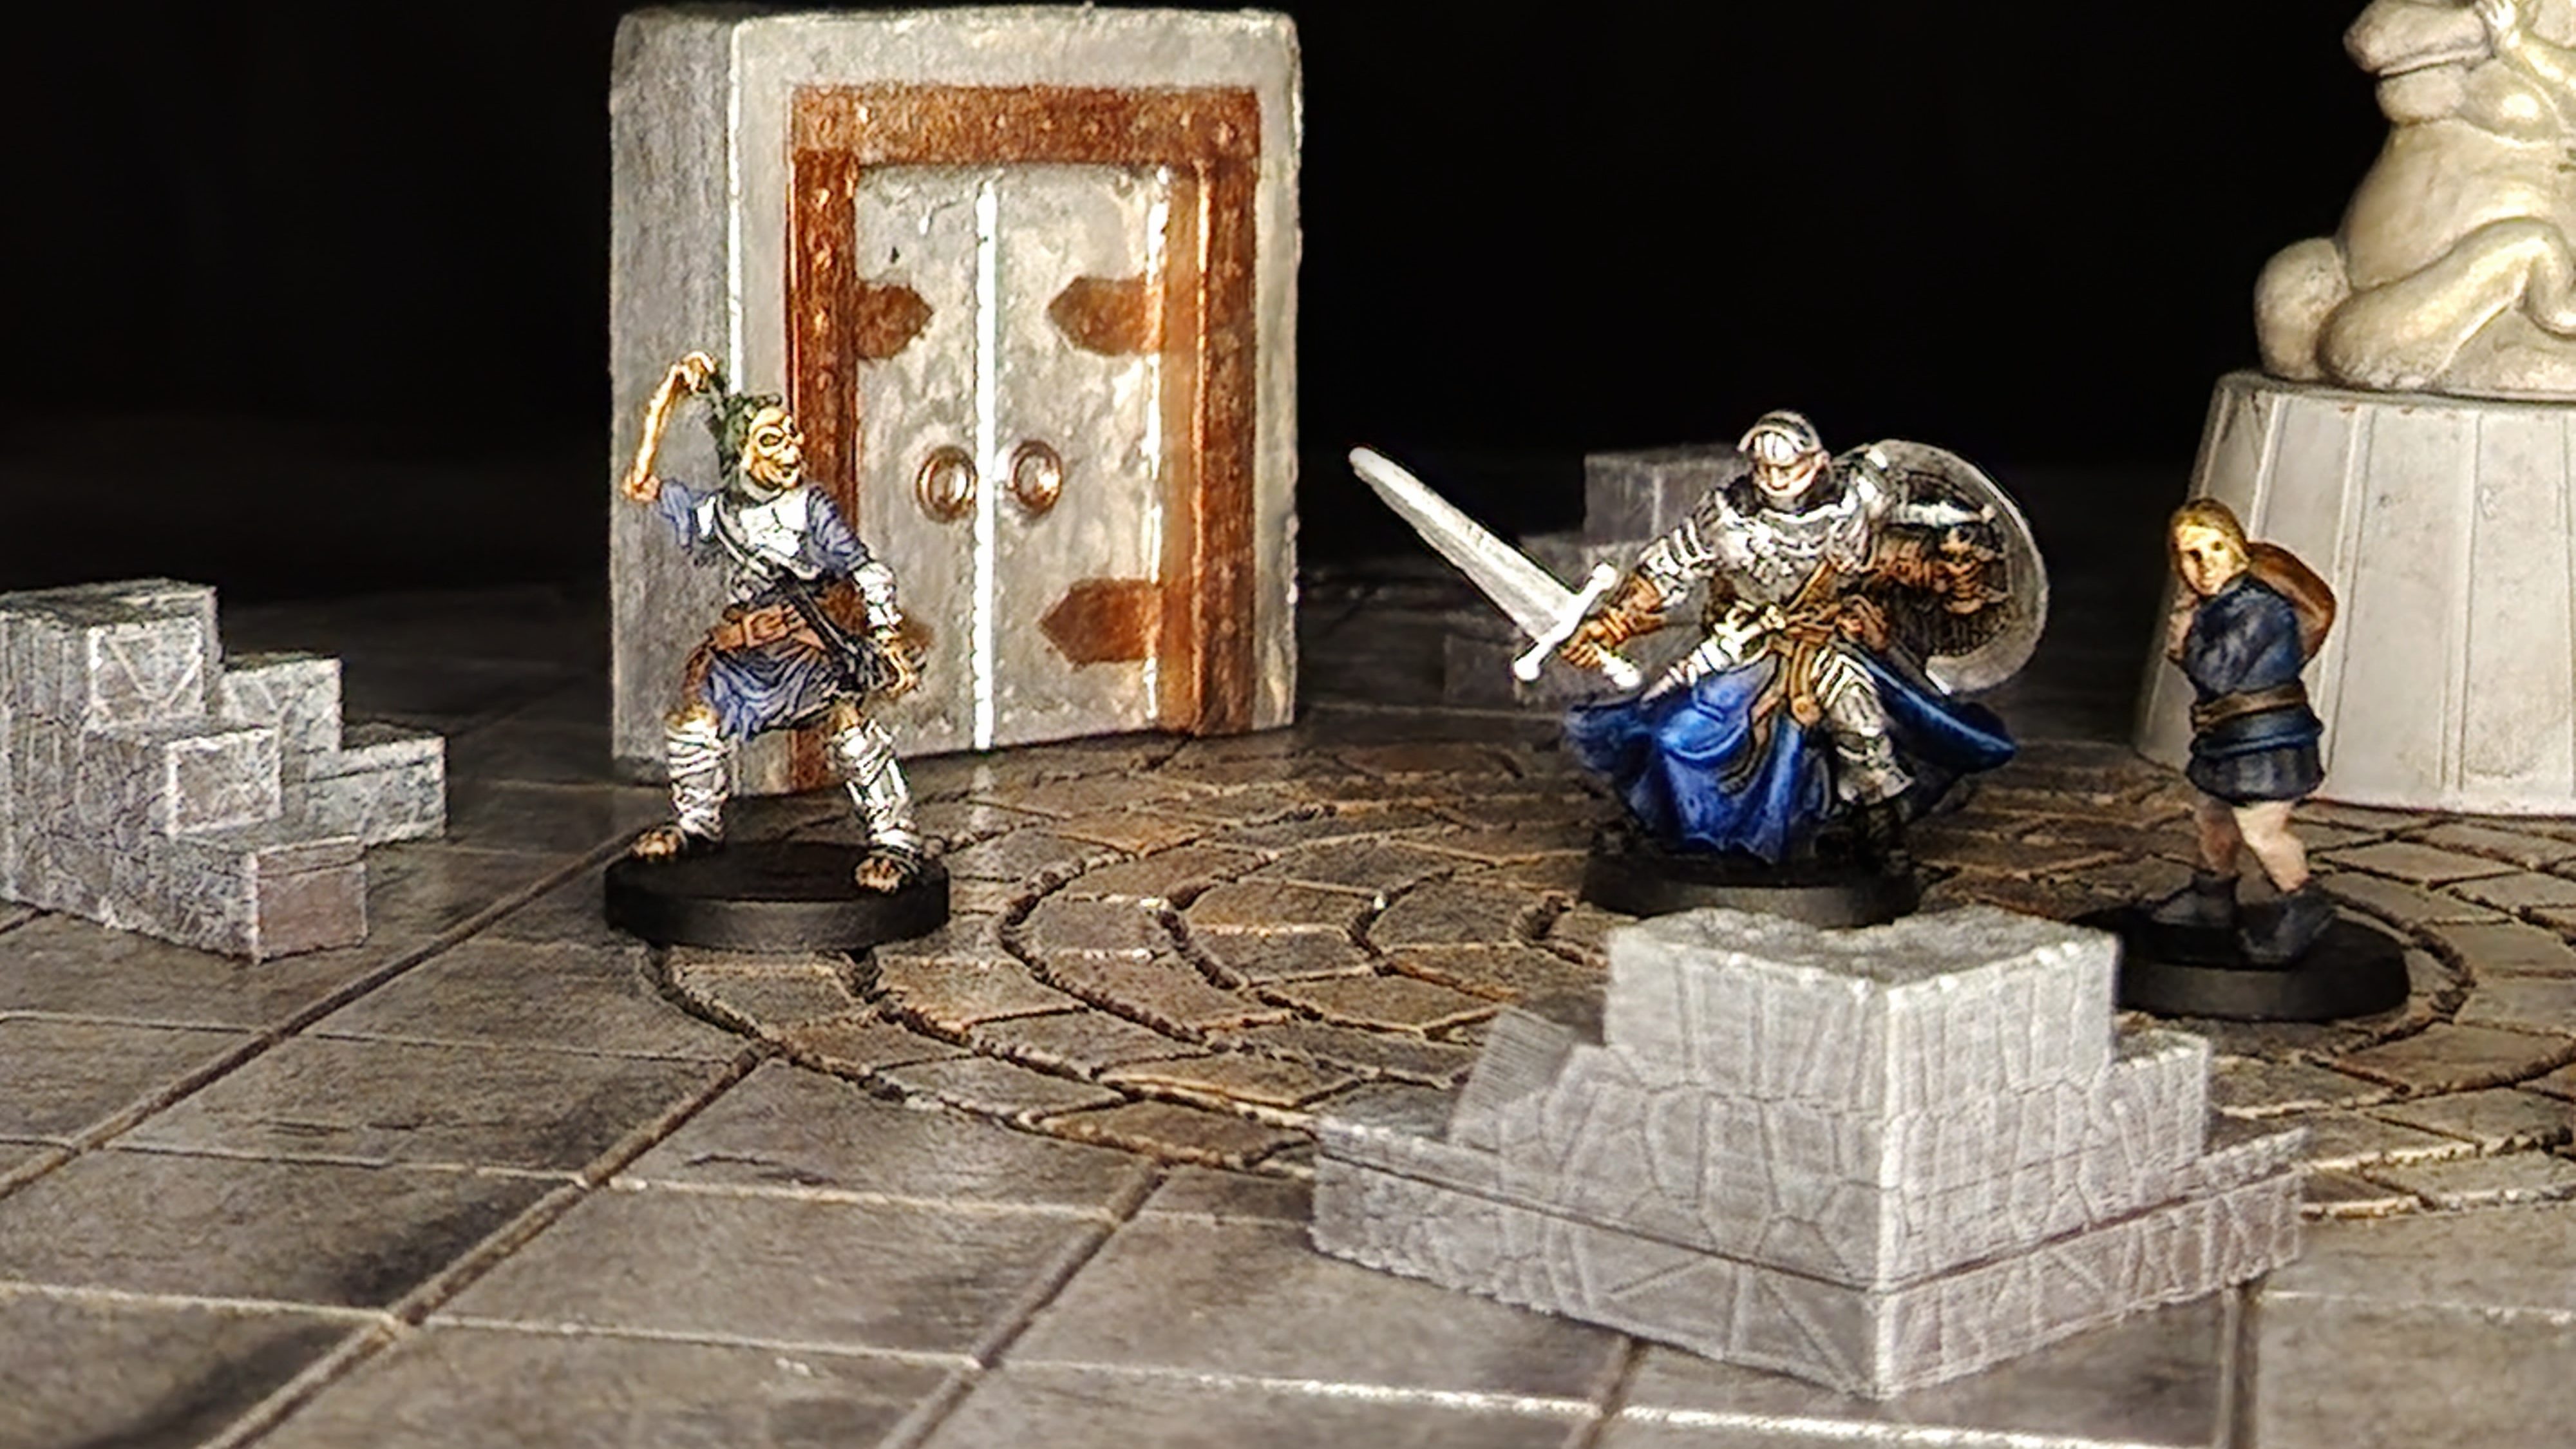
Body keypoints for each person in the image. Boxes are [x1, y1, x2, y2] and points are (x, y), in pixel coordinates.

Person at [1560, 410, 2015, 871]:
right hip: (1748, 647)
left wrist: (1955, 559)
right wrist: (1612, 623)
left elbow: (1911, 538)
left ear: (1817, 463)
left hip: (1826, 641)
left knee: (1860, 720)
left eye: (1787, 468)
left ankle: (1877, 823)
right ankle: (1687, 826)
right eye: (1765, 469)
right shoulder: (1728, 517)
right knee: (1675, 736)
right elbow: (1669, 568)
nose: (1776, 480)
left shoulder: (1859, 501)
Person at [618, 351, 925, 892]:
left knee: (849, 726)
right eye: (772, 440)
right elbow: (640, 484)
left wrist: (886, 635)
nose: (792, 450)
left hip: (808, 649)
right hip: (745, 654)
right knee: (695, 719)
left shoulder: (810, 509)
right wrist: (669, 393)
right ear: (741, 453)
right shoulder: (719, 513)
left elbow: (866, 571)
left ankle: (895, 841)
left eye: (790, 436)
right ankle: (697, 825)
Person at [2148, 498, 2335, 963]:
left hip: (2267, 738)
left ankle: (2303, 901)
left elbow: (2216, 672)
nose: (2205, 565)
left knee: (2261, 829)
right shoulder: (2219, 604)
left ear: (2236, 548)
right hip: (2227, 734)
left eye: (2216, 548)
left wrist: (2187, 634)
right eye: (2191, 555)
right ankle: (2211, 898)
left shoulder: (2257, 608)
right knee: (2212, 817)